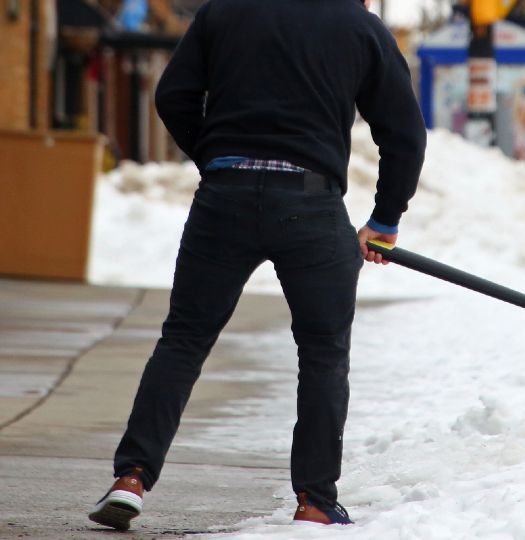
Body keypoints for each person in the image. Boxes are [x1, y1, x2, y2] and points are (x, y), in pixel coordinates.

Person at [88, 0, 426, 530]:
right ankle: (314, 500)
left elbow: (173, 95)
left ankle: (131, 477)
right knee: (322, 354)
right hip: (311, 204)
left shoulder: (224, 12)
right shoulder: (360, 26)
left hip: (224, 198)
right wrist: (384, 218)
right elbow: (403, 130)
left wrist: (218, 159)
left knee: (183, 340)